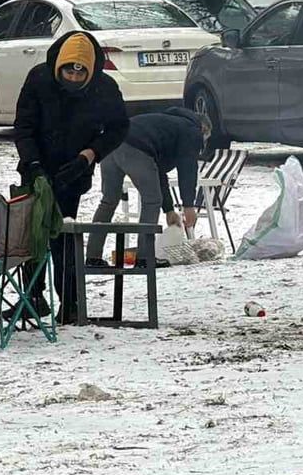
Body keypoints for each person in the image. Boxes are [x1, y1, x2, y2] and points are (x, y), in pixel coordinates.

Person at [13, 31, 129, 320]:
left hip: (73, 171)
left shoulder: (105, 88)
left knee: (63, 237)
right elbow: (24, 126)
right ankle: (32, 297)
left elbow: (118, 128)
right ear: (58, 67)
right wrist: (33, 163)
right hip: (36, 169)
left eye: (81, 75)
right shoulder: (39, 79)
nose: (74, 79)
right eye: (68, 72)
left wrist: (89, 155)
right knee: (32, 234)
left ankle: (70, 302)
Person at [87, 108, 210, 266]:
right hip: (135, 148)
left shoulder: (166, 123)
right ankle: (144, 257)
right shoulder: (191, 131)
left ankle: (92, 257)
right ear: (204, 129)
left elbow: (158, 171)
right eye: (205, 139)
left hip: (110, 146)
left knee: (108, 201)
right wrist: (188, 205)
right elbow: (188, 169)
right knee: (151, 201)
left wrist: (169, 209)